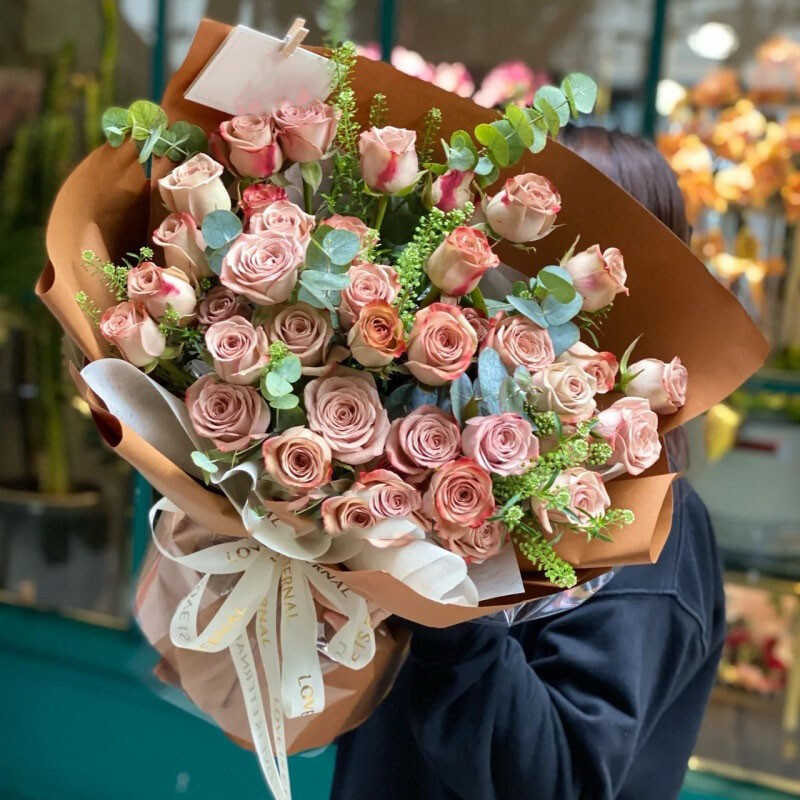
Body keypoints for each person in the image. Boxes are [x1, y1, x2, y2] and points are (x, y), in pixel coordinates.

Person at [330, 127, 724, 800]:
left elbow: (555, 779)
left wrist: (454, 597)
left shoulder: (655, 532)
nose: (515, 287)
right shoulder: (453, 455)